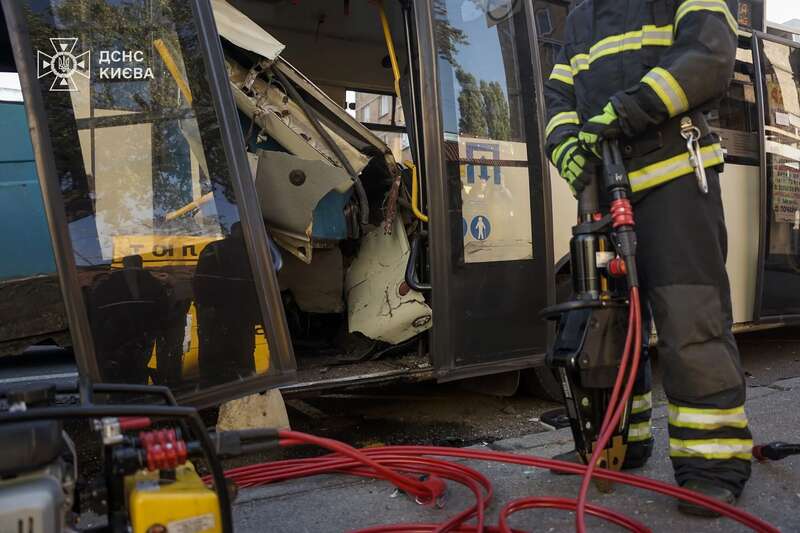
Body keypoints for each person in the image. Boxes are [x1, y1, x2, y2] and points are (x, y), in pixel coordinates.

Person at [543, 0, 751, 517]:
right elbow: (557, 95)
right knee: (610, 328)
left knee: (691, 322)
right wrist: (565, 144)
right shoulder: (583, 16)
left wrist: (627, 110)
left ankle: (711, 466)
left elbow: (708, 56)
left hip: (676, 181)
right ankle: (618, 444)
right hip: (604, 192)